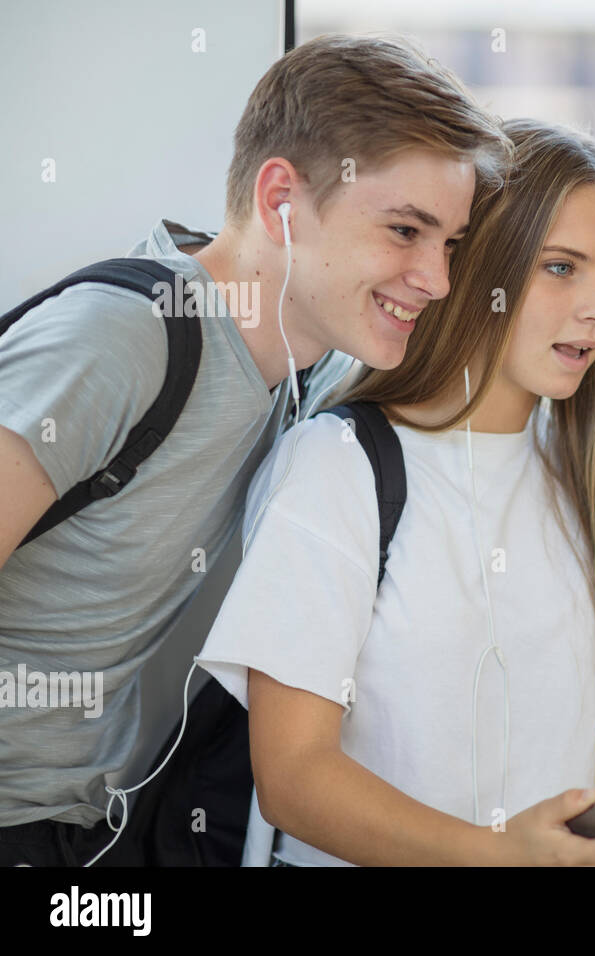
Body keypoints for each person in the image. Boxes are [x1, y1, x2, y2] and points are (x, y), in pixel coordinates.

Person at [0, 33, 509, 867]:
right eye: (405, 230)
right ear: (282, 197)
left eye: (448, 244)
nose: (438, 279)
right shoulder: (121, 340)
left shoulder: (317, 367)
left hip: (100, 830)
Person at [196, 120, 595, 867]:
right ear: (480, 268)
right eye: (562, 267)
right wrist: (501, 855)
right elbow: (294, 777)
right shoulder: (340, 464)